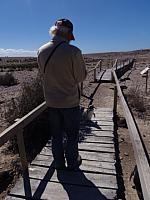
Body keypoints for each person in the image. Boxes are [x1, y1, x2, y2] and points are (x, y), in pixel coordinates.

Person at [37, 19, 87, 170]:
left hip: (51, 102)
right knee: (72, 135)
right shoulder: (74, 52)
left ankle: (59, 163)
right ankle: (72, 163)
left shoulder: (41, 50)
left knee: (56, 135)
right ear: (69, 33)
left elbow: (42, 74)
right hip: (70, 102)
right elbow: (80, 77)